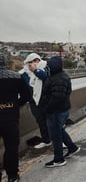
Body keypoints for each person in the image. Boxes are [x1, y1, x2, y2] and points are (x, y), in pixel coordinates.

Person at [38, 56, 80, 168]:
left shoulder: (57, 79)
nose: (47, 68)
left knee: (55, 136)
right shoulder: (61, 76)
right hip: (61, 109)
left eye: (48, 66)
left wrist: (47, 108)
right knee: (59, 131)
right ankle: (72, 147)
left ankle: (59, 159)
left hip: (56, 111)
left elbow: (57, 97)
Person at [0, 53, 30, 182]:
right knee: (11, 147)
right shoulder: (15, 77)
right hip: (10, 117)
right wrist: (15, 105)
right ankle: (12, 175)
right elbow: (26, 95)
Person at [19, 53, 51, 149]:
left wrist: (36, 71)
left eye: (37, 61)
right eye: (32, 62)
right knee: (41, 121)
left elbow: (46, 79)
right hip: (33, 102)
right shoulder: (23, 74)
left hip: (46, 100)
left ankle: (60, 140)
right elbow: (23, 88)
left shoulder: (44, 69)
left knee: (52, 121)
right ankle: (46, 140)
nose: (35, 63)